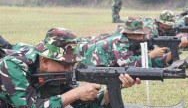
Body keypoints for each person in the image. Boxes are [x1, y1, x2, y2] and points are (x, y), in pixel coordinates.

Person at [0, 28, 140, 107]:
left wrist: (112, 89)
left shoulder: (60, 75)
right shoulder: (13, 65)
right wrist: (74, 93)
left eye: (72, 64)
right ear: (44, 62)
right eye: (64, 63)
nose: (68, 69)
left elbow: (84, 105)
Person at [78, 17, 188, 68]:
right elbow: (128, 65)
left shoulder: (134, 44)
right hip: (80, 55)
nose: (144, 37)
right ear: (131, 34)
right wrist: (150, 55)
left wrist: (177, 48)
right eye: (141, 34)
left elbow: (151, 63)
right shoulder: (119, 41)